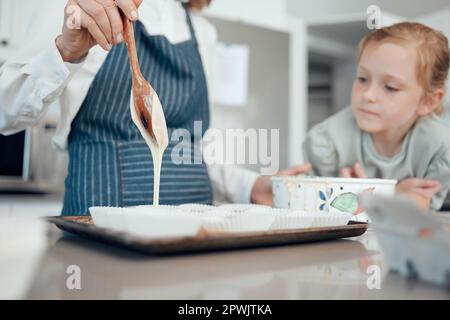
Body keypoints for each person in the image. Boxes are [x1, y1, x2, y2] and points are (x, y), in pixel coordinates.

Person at [0, 0, 310, 215]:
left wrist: (250, 186)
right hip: (101, 240)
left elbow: (187, 151)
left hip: (191, 241)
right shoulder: (82, 7)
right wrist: (65, 50)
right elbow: (5, 112)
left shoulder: (202, 31)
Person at [303, 22, 450, 210]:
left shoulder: (440, 148)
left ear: (428, 101)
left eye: (390, 87)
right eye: (362, 79)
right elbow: (311, 202)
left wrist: (367, 194)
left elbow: (419, 209)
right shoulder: (328, 139)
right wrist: (392, 194)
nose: (368, 95)